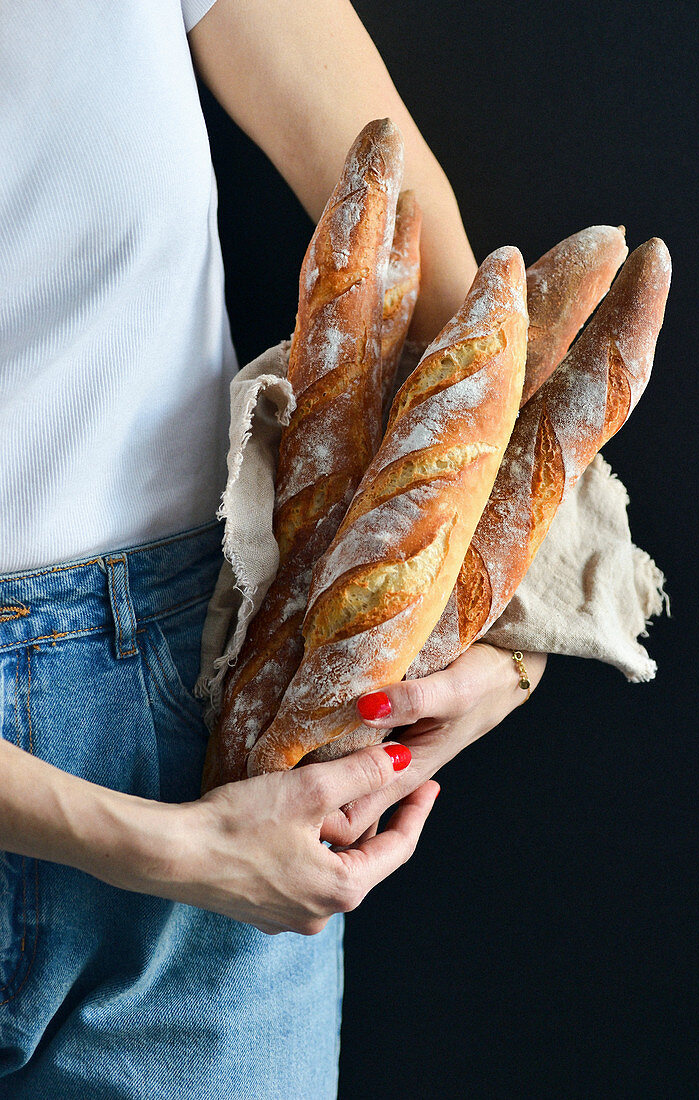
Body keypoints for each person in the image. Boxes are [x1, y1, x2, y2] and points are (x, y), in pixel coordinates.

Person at [0, 1, 546, 1095]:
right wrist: (171, 850)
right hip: (208, 837)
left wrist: (514, 630)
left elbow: (443, 274)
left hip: (203, 715)